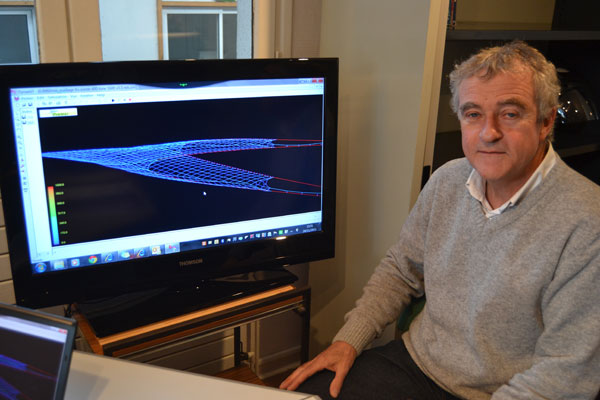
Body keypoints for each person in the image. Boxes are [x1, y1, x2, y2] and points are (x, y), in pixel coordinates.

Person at [280, 40, 600, 399]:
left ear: (546, 122)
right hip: (414, 365)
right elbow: (401, 269)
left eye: (510, 113)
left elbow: (567, 372)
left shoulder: (587, 221)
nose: (488, 132)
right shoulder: (449, 180)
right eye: (473, 113)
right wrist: (348, 341)